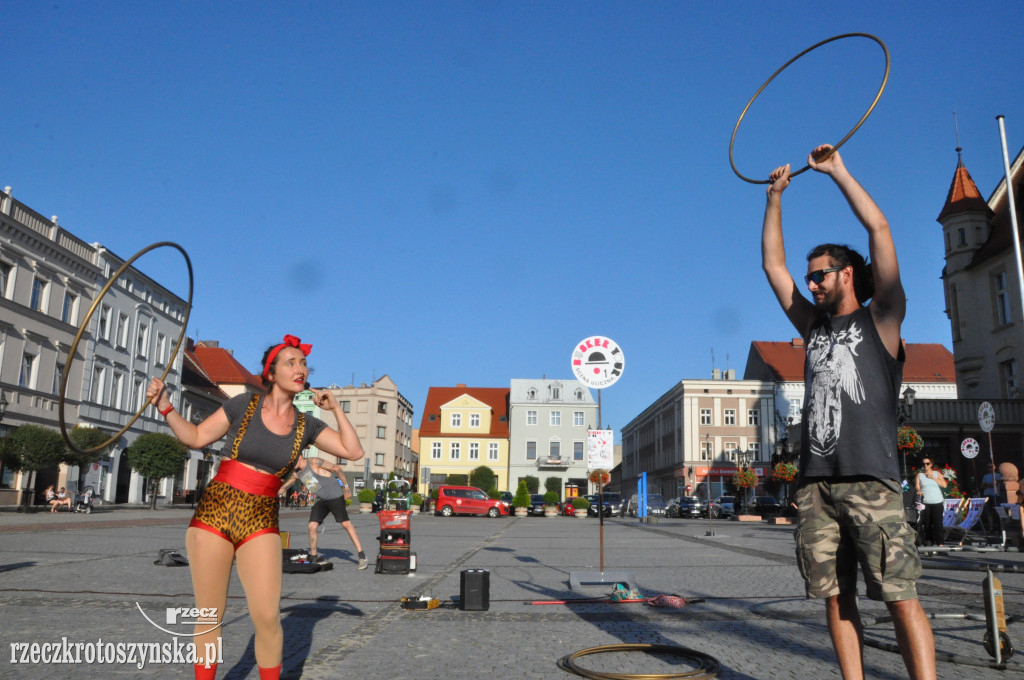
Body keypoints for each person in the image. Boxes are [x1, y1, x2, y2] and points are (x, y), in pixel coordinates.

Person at [762, 145, 936, 679]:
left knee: (899, 597)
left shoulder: (882, 319)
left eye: (821, 275)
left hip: (873, 481)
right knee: (835, 600)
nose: (811, 283)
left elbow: (880, 229)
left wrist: (836, 171)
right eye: (810, 276)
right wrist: (774, 199)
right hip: (818, 485)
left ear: (848, 276)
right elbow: (773, 265)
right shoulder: (812, 329)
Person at [146, 334, 363, 680]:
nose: (300, 368)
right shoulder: (243, 404)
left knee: (266, 616)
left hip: (261, 519)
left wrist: (336, 408)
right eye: (290, 362)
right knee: (209, 615)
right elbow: (197, 437)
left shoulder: (308, 425)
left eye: (303, 363)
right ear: (271, 373)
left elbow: (353, 452)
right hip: (216, 512)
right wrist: (166, 407)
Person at [282, 457, 368, 569]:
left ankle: (362, 556)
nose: (291, 464)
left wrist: (346, 488)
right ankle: (314, 557)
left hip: (335, 496)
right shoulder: (298, 473)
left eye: (293, 461)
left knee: (346, 524)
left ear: (300, 457)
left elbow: (337, 468)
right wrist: (279, 489)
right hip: (322, 500)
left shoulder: (314, 462)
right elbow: (289, 483)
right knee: (312, 526)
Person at [915, 458, 947, 546]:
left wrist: (933, 477)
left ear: (931, 464)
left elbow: (944, 485)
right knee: (927, 523)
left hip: (937, 501)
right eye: (923, 464)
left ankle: (940, 544)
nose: (925, 465)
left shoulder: (937, 474)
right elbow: (917, 486)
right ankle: (929, 542)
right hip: (926, 502)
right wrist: (919, 491)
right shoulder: (920, 475)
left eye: (927, 463)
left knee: (938, 524)